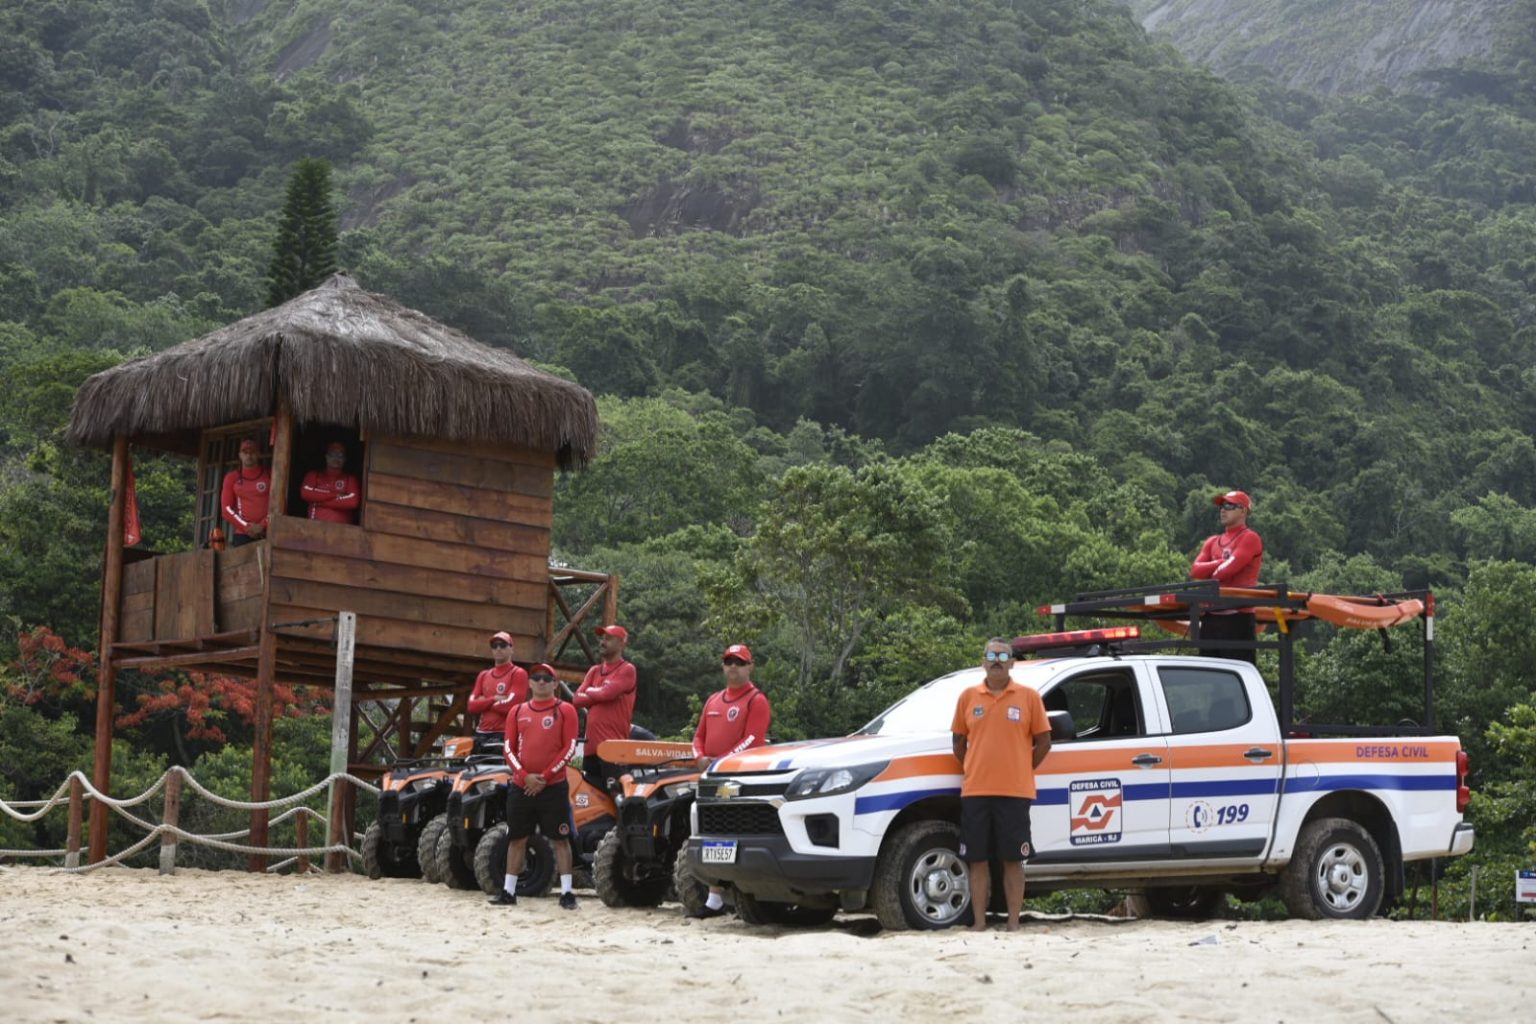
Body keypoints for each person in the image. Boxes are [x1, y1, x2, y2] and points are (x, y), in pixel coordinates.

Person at [951, 638, 1052, 932]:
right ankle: (979, 923)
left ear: (1012, 662)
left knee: (1013, 859)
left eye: (1003, 656)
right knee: (977, 859)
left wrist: (1023, 766)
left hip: (1015, 792)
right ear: (983, 661)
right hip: (976, 792)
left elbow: (1044, 741)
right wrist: (973, 766)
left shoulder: (1029, 697)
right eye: (991, 655)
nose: (996, 660)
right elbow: (958, 741)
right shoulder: (968, 697)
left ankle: (1013, 924)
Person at [687, 643, 772, 919]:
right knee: (713, 834)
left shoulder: (755, 700)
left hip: (740, 778)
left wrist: (720, 760)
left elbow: (752, 739)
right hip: (711, 777)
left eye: (739, 661)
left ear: (750, 666)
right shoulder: (713, 700)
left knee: (739, 835)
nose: (733, 666)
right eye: (728, 661)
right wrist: (700, 756)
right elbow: (698, 736)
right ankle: (714, 899)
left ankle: (747, 897)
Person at [490, 664, 580, 910]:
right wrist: (523, 775)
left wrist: (545, 777)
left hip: (554, 787)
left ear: (554, 684)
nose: (541, 682)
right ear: (529, 683)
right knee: (517, 838)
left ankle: (568, 893)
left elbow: (569, 748)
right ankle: (508, 891)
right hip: (521, 786)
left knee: (560, 839)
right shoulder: (517, 711)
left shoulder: (566, 710)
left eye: (547, 678)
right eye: (537, 678)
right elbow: (508, 748)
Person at [1189, 489, 1264, 664]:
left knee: (1238, 671)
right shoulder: (1212, 541)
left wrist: (1216, 567)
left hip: (1238, 616)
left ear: (1243, 510)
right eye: (1221, 506)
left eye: (1229, 505)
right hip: (1212, 615)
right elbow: (1195, 570)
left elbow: (1225, 572)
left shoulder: (1250, 537)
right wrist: (1220, 562)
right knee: (1210, 675)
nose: (1223, 510)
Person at [572, 624, 636, 793]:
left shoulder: (627, 669)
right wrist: (597, 693)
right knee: (589, 798)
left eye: (608, 638)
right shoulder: (594, 671)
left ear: (622, 643)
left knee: (617, 796)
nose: (602, 642)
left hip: (613, 749)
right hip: (591, 749)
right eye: (602, 638)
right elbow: (576, 699)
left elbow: (606, 694)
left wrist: (590, 692)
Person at [467, 631, 528, 753]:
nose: (498, 649)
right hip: (481, 734)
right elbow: (471, 706)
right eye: (495, 646)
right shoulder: (484, 675)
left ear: (511, 649)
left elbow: (510, 706)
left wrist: (483, 702)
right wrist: (494, 699)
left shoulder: (518, 673)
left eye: (503, 645)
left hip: (504, 734)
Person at [220, 438, 271, 547]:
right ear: (240, 455)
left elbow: (279, 503)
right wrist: (247, 527)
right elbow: (226, 509)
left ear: (258, 454)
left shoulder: (270, 475)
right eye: (245, 452)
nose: (249, 455)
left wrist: (263, 525)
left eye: (252, 452)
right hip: (243, 534)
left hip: (269, 531)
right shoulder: (232, 478)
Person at [299, 441, 361, 524]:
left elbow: (353, 502)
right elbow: (305, 493)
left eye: (340, 455)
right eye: (332, 454)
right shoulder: (314, 475)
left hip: (342, 531)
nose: (336, 458)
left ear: (345, 459)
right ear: (326, 456)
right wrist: (335, 495)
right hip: (313, 527)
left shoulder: (350, 479)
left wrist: (318, 501)